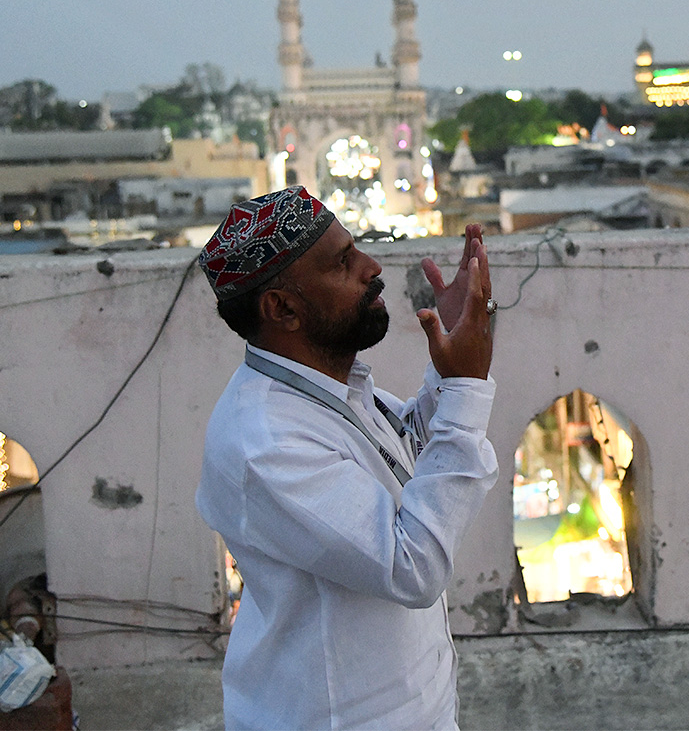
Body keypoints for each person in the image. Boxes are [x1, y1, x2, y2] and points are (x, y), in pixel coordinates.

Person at [194, 186, 499, 730]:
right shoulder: (265, 441)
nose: (372, 266)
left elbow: (413, 459)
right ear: (282, 307)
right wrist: (467, 387)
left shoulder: (336, 387)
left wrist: (451, 369)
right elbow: (412, 567)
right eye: (342, 262)